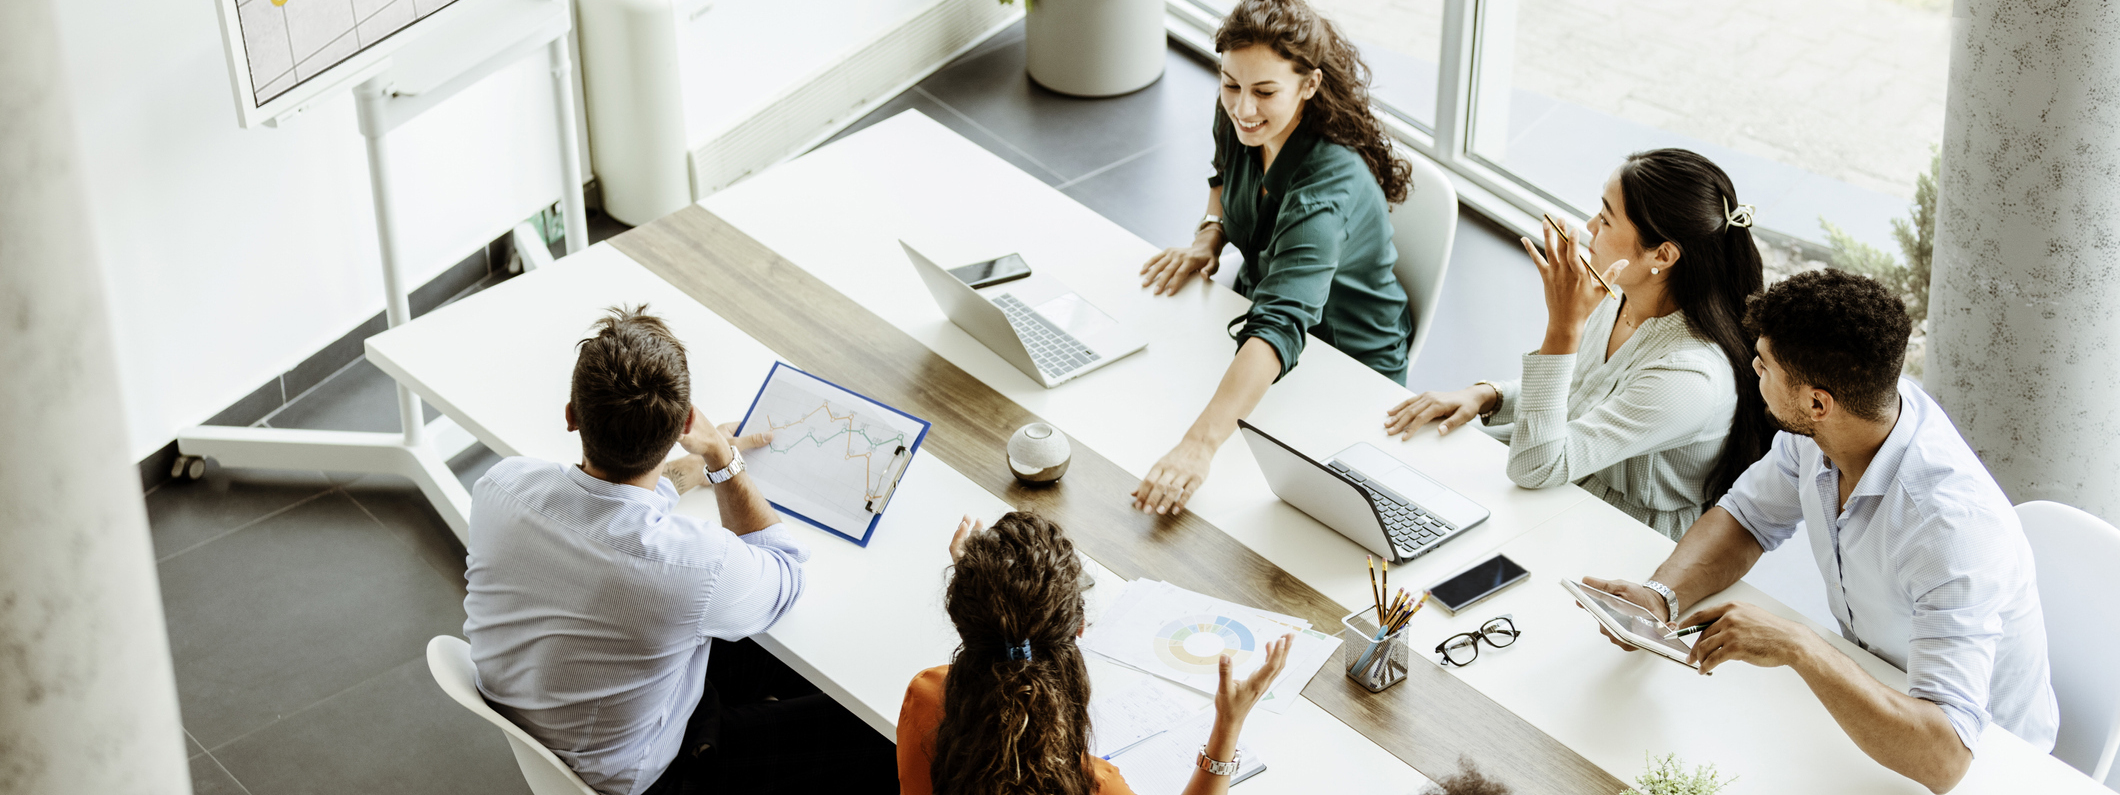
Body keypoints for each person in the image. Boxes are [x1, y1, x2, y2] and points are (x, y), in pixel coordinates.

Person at [1579, 271, 2057, 793]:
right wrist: (1661, 596)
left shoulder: (1949, 528)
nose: (1752, 371)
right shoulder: (1834, 428)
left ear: (1817, 402)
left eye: (1764, 366)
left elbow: (1945, 758)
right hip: (1875, 689)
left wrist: (1800, 646)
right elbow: (1746, 518)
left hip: (1991, 764)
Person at [462, 305, 895, 795]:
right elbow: (784, 573)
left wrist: (693, 469)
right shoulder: (693, 567)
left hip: (549, 722)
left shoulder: (501, 487)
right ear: (686, 424)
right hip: (650, 777)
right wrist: (723, 460)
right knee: (881, 731)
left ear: (570, 417)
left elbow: (620, 507)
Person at [1384, 149, 1773, 539]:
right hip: (1559, 477)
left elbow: (1537, 466)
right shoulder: (1622, 295)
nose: (1590, 225)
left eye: (1605, 218)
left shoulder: (1691, 379)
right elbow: (1580, 397)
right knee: (1403, 473)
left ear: (1663, 254)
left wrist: (1563, 326)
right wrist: (1488, 396)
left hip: (1614, 530)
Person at [1132, 0, 1413, 516]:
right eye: (1230, 84)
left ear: (1309, 85)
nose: (1242, 108)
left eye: (1264, 92)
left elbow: (1281, 323)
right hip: (1259, 323)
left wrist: (1199, 445)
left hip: (1345, 366)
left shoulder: (1326, 189)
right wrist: (1210, 233)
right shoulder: (1242, 118)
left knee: (1238, 493)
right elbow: (1222, 173)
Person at [897, 512, 1293, 795]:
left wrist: (983, 596)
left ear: (963, 618)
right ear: (1080, 628)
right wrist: (1229, 724)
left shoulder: (927, 696)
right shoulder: (1092, 784)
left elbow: (994, 650)